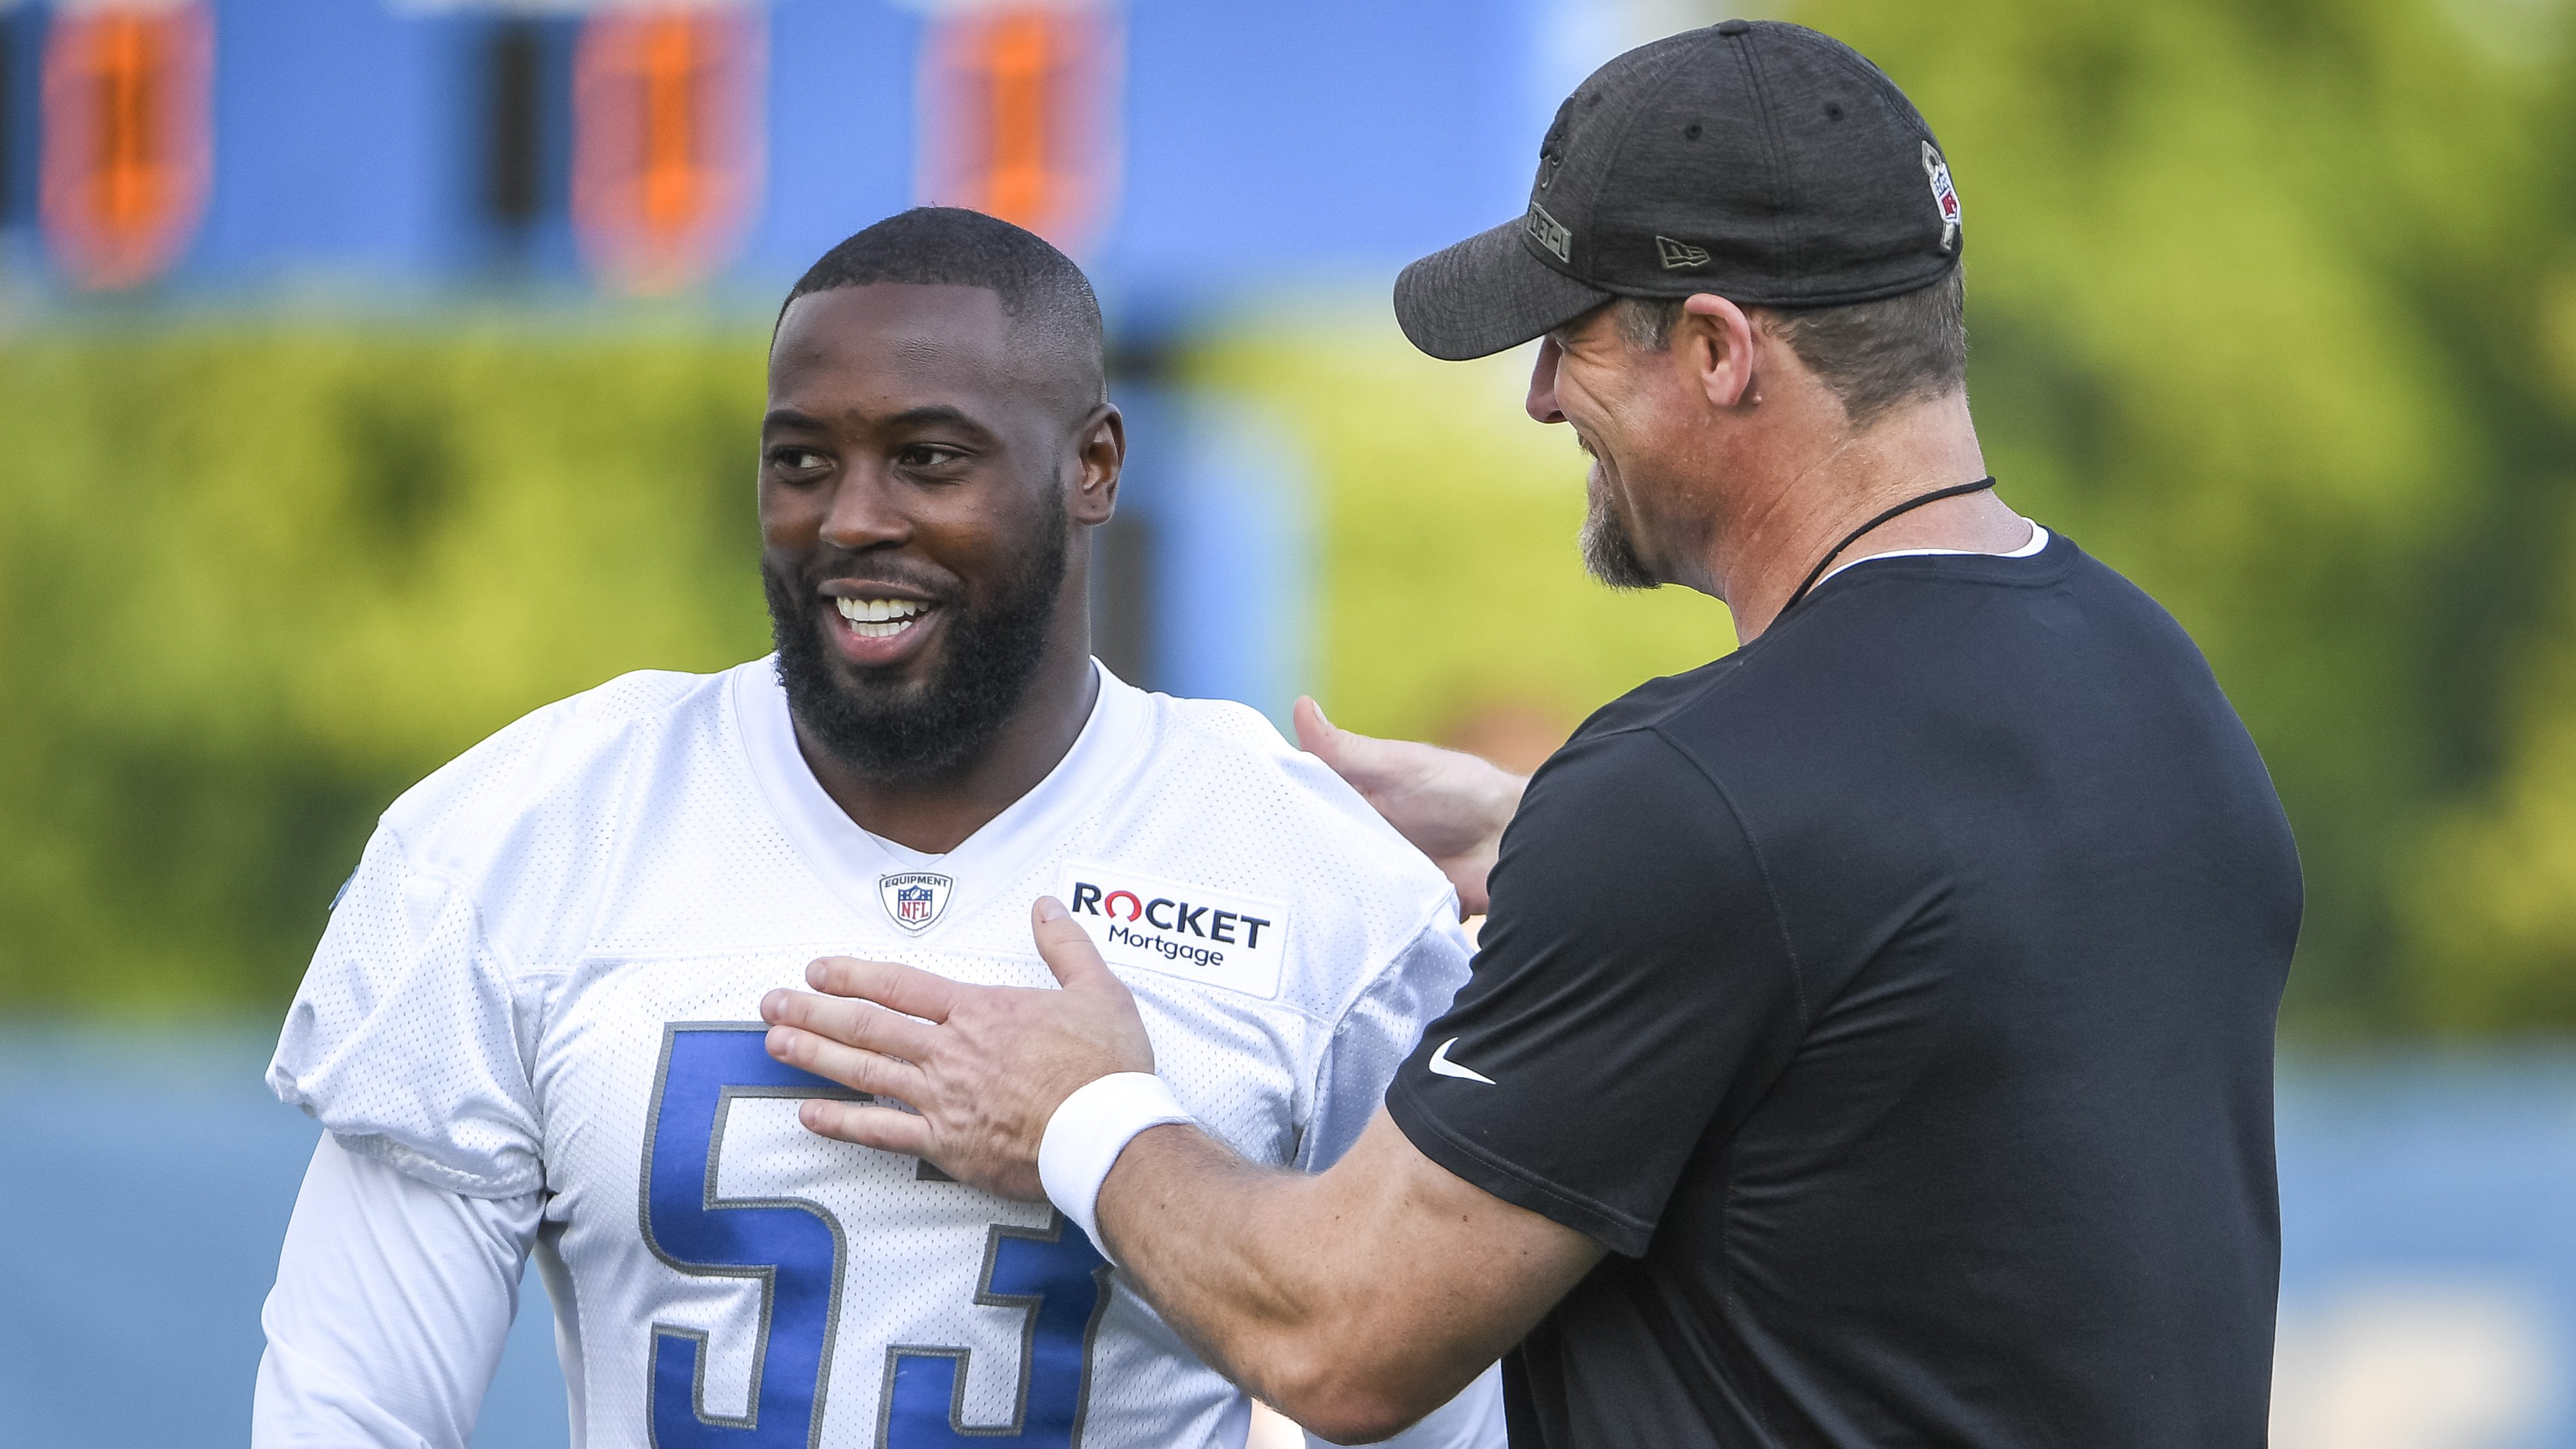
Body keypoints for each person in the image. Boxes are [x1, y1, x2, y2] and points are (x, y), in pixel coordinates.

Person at [760, 22, 2302, 1449]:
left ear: (1716, 348)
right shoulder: (2149, 685)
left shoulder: (1699, 801)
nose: (1540, 395)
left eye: (1571, 336)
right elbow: (1883, 963)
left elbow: (1340, 1334)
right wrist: (1529, 838)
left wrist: (1076, 1113)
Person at [253, 207, 1502, 1449]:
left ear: (1094, 467)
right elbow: (350, 1413)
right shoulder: (536, 831)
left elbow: (1428, 1413)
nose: (852, 517)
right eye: (801, 461)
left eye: (929, 458)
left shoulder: (1313, 875)